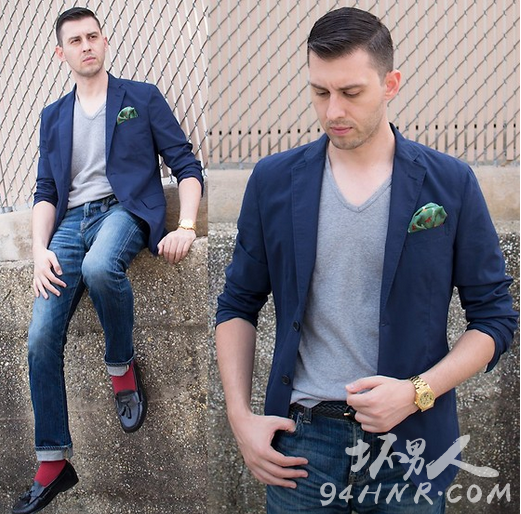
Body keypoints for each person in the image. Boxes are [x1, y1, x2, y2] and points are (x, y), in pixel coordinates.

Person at [215, 6, 517, 513]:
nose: (333, 110)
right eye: (319, 92)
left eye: (351, 92)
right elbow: (237, 304)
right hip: (302, 444)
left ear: (390, 84)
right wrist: (239, 418)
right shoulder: (273, 181)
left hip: (411, 446)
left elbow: (494, 318)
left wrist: (417, 392)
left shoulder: (450, 183)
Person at [12, 7, 203, 514]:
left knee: (101, 267)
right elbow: (46, 192)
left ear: (104, 41)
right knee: (39, 337)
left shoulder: (140, 97)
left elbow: (186, 164)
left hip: (123, 212)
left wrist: (185, 225)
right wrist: (39, 251)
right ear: (61, 53)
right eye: (75, 40)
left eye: (93, 36)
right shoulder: (53, 116)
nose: (86, 46)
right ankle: (53, 462)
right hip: (69, 226)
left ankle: (121, 366)